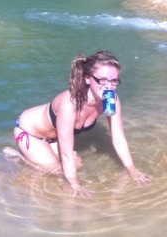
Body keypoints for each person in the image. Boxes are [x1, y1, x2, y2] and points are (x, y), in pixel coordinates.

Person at [9, 50, 151, 197]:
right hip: (30, 133)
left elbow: (119, 139)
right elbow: (66, 154)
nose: (108, 86)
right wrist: (75, 186)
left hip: (54, 137)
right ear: (88, 78)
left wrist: (133, 170)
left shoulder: (110, 100)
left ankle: (41, 156)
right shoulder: (70, 104)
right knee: (58, 173)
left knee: (78, 165)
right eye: (102, 80)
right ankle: (19, 158)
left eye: (114, 81)